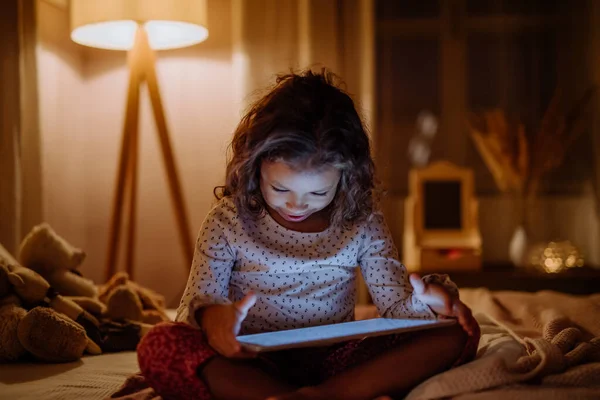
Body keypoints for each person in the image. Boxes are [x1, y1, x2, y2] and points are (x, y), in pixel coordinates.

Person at [137, 69, 480, 400]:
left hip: (338, 363)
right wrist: (213, 321)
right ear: (254, 166)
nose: (297, 205)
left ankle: (317, 396)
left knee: (458, 330)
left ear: (346, 179)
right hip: (251, 361)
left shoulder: (361, 221)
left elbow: (396, 308)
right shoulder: (228, 221)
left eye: (318, 194)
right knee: (160, 344)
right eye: (280, 187)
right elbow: (191, 314)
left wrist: (428, 303)